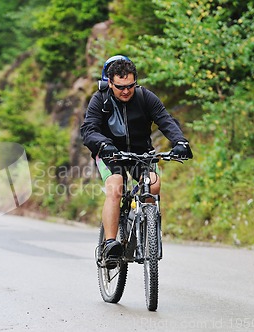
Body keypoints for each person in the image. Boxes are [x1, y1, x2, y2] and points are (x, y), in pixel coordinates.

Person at [80, 55, 193, 267]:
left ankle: (147, 232)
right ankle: (110, 244)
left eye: (130, 85)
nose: (126, 91)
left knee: (154, 183)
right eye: (120, 86)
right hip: (109, 153)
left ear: (136, 81)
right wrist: (103, 144)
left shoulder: (145, 97)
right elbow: (89, 129)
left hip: (141, 153)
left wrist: (181, 142)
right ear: (110, 83)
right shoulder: (100, 99)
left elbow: (165, 120)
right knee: (116, 187)